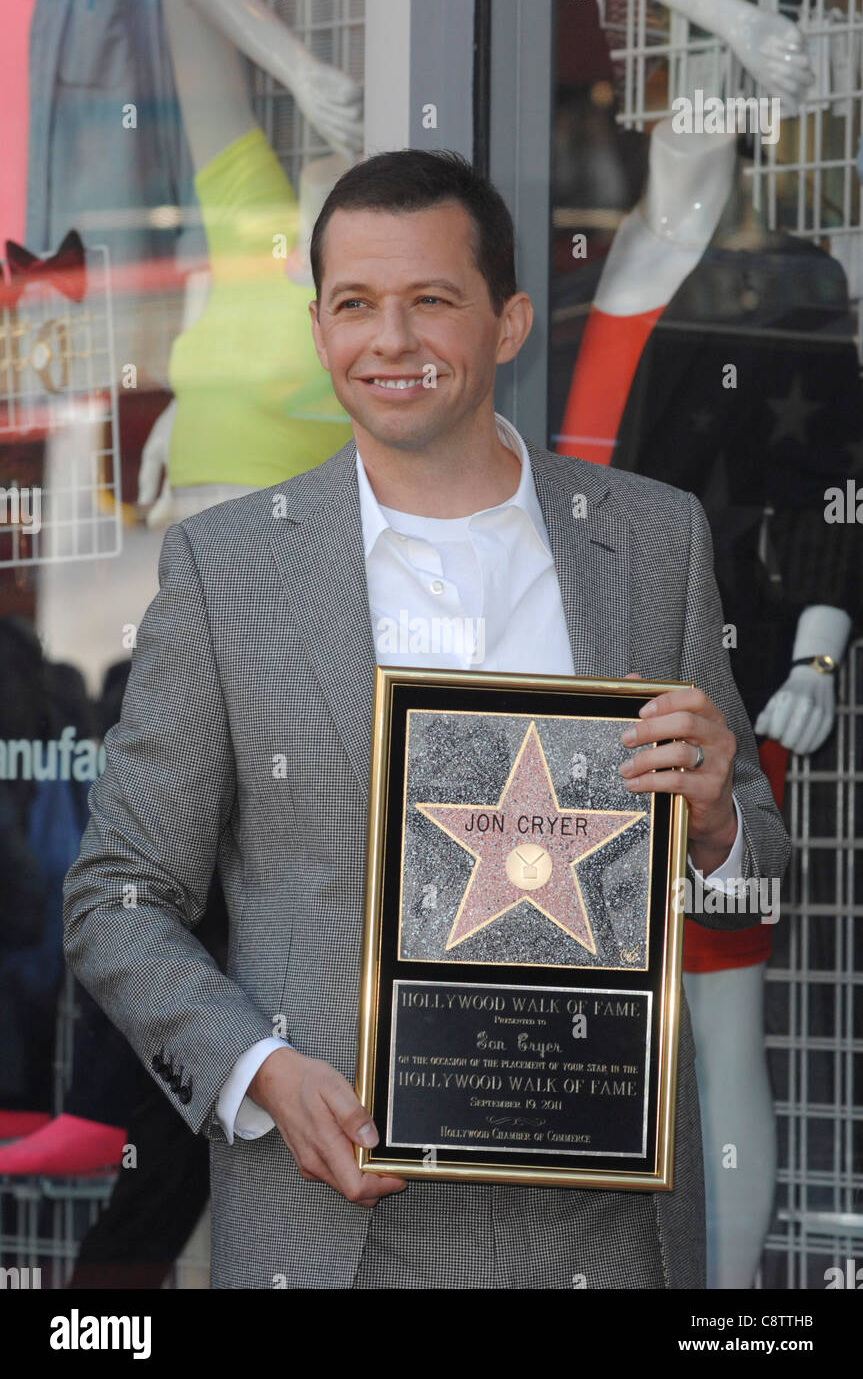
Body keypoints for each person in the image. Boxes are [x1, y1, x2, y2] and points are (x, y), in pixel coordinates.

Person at [63, 149, 790, 1290]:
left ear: (507, 323)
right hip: (331, 1216)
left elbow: (749, 850)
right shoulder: (227, 569)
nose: (388, 341)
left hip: (600, 1222)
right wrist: (256, 1071)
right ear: (317, 329)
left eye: (429, 302)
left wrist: (716, 827)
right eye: (354, 305)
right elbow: (118, 896)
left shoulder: (652, 541)